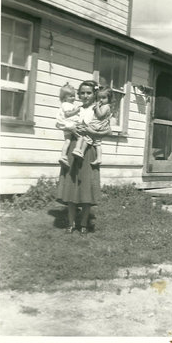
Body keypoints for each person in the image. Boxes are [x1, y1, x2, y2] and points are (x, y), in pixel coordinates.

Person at [56, 80, 111, 235]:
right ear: (78, 95)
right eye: (82, 93)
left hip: (89, 149)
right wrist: (72, 127)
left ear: (94, 94)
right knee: (72, 186)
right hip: (73, 148)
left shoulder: (98, 110)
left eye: (89, 93)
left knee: (86, 186)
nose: (85, 96)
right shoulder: (73, 108)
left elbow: (108, 130)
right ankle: (71, 223)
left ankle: (84, 223)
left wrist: (91, 132)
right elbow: (59, 123)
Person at [72, 86, 113, 165]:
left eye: (103, 98)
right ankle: (99, 158)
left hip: (96, 126)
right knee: (97, 143)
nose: (100, 100)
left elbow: (101, 117)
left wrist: (92, 132)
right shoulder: (80, 108)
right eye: (99, 98)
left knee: (87, 139)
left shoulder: (105, 106)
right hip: (97, 127)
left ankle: (81, 152)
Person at [56, 83, 81, 168]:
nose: (73, 98)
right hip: (70, 124)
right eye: (70, 96)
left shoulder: (65, 105)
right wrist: (76, 111)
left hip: (66, 126)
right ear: (64, 98)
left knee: (67, 141)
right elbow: (67, 114)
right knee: (80, 137)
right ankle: (77, 150)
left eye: (74, 96)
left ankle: (63, 156)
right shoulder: (67, 104)